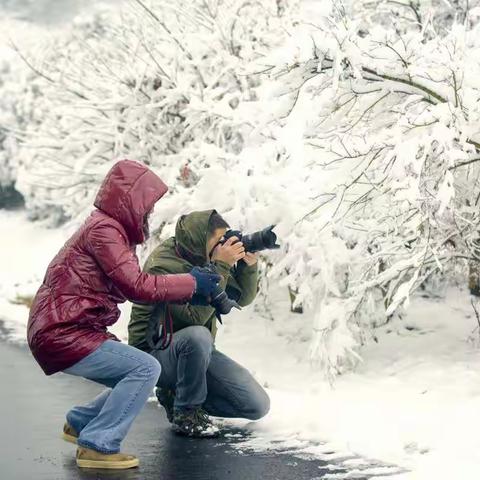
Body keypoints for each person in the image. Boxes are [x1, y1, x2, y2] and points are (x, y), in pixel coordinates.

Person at [27, 160, 221, 469]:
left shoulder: (107, 229)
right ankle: (98, 445)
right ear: (132, 199)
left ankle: (80, 422)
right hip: (63, 331)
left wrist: (189, 285)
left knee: (141, 367)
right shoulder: (104, 230)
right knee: (143, 369)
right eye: (149, 203)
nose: (151, 211)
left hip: (70, 328)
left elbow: (128, 284)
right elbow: (137, 286)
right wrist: (192, 283)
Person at [128, 210, 270, 438]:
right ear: (199, 242)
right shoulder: (164, 266)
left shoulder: (202, 258)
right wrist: (221, 266)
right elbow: (193, 318)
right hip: (154, 355)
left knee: (257, 405)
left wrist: (247, 267)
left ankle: (178, 396)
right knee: (198, 335)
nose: (223, 246)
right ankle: (186, 412)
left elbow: (241, 297)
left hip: (195, 352)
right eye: (218, 242)